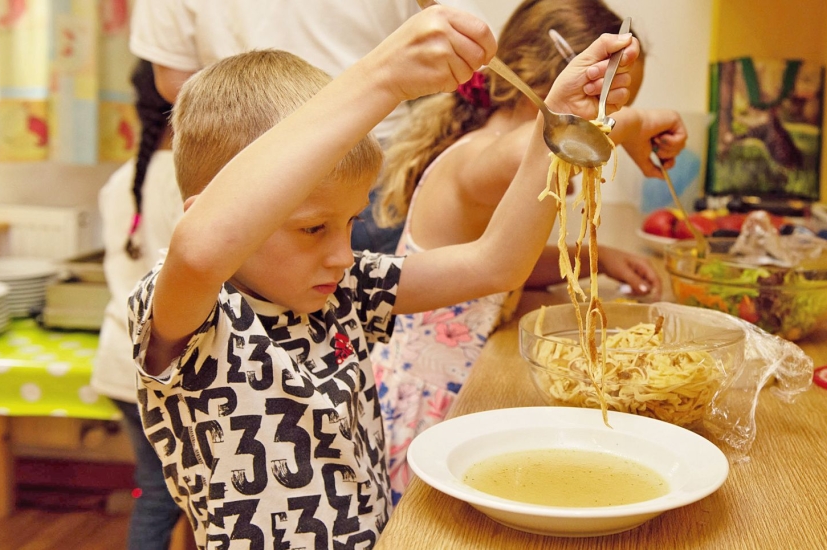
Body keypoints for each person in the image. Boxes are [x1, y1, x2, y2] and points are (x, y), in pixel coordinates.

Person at [127, 6, 640, 546]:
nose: (342, 254)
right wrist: (382, 78)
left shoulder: (342, 290)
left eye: (350, 223)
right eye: (312, 228)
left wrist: (553, 124)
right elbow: (201, 250)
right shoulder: (196, 314)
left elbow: (496, 263)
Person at [372, 0, 685, 504]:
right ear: (555, 80)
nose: (613, 119)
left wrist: (594, 257)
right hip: (430, 407)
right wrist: (637, 123)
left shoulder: (492, 147)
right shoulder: (480, 158)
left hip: (463, 384)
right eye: (610, 103)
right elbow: (545, 142)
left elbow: (495, 276)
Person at [127, 0, 484, 253]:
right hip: (374, 157)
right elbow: (466, 38)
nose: (342, 258)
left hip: (248, 166)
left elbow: (174, 78)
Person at [91, 59, 183, 550]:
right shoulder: (192, 181)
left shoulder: (123, 179)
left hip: (117, 359)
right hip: (159, 366)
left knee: (156, 490)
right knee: (165, 495)